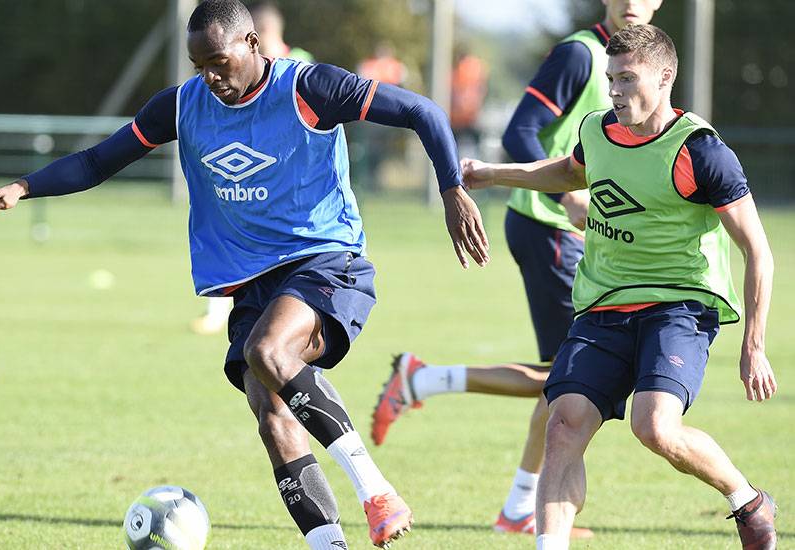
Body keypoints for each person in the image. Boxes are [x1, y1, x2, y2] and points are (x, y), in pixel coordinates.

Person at [0, 1, 490, 548]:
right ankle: (328, 544)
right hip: (253, 281)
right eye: (200, 67)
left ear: (253, 44)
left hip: (326, 260)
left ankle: (376, 491)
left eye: (219, 61)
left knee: (269, 353)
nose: (211, 78)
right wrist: (19, 189)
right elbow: (98, 162)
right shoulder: (182, 105)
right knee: (269, 414)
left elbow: (423, 111)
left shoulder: (311, 89)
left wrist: (452, 189)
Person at [461, 24, 777, 550]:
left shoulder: (700, 150)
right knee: (563, 426)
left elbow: (758, 250)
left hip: (678, 306)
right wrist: (495, 174)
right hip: (603, 305)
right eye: (611, 79)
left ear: (665, 76)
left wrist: (754, 345)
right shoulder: (597, 131)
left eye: (628, 78)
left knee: (654, 428)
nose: (615, 91)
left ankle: (746, 499)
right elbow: (566, 173)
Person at [372, 0, 661, 538]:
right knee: (570, 376)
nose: (632, 4)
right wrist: (567, 200)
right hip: (549, 229)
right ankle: (424, 383)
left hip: (576, 236)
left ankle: (517, 505)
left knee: (566, 378)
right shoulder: (580, 55)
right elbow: (520, 132)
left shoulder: (642, 62)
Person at [191, 0, 314, 336]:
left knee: (269, 351)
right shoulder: (212, 90)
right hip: (242, 180)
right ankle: (216, 309)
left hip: (290, 196)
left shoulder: (300, 65)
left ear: (256, 39)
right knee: (223, 229)